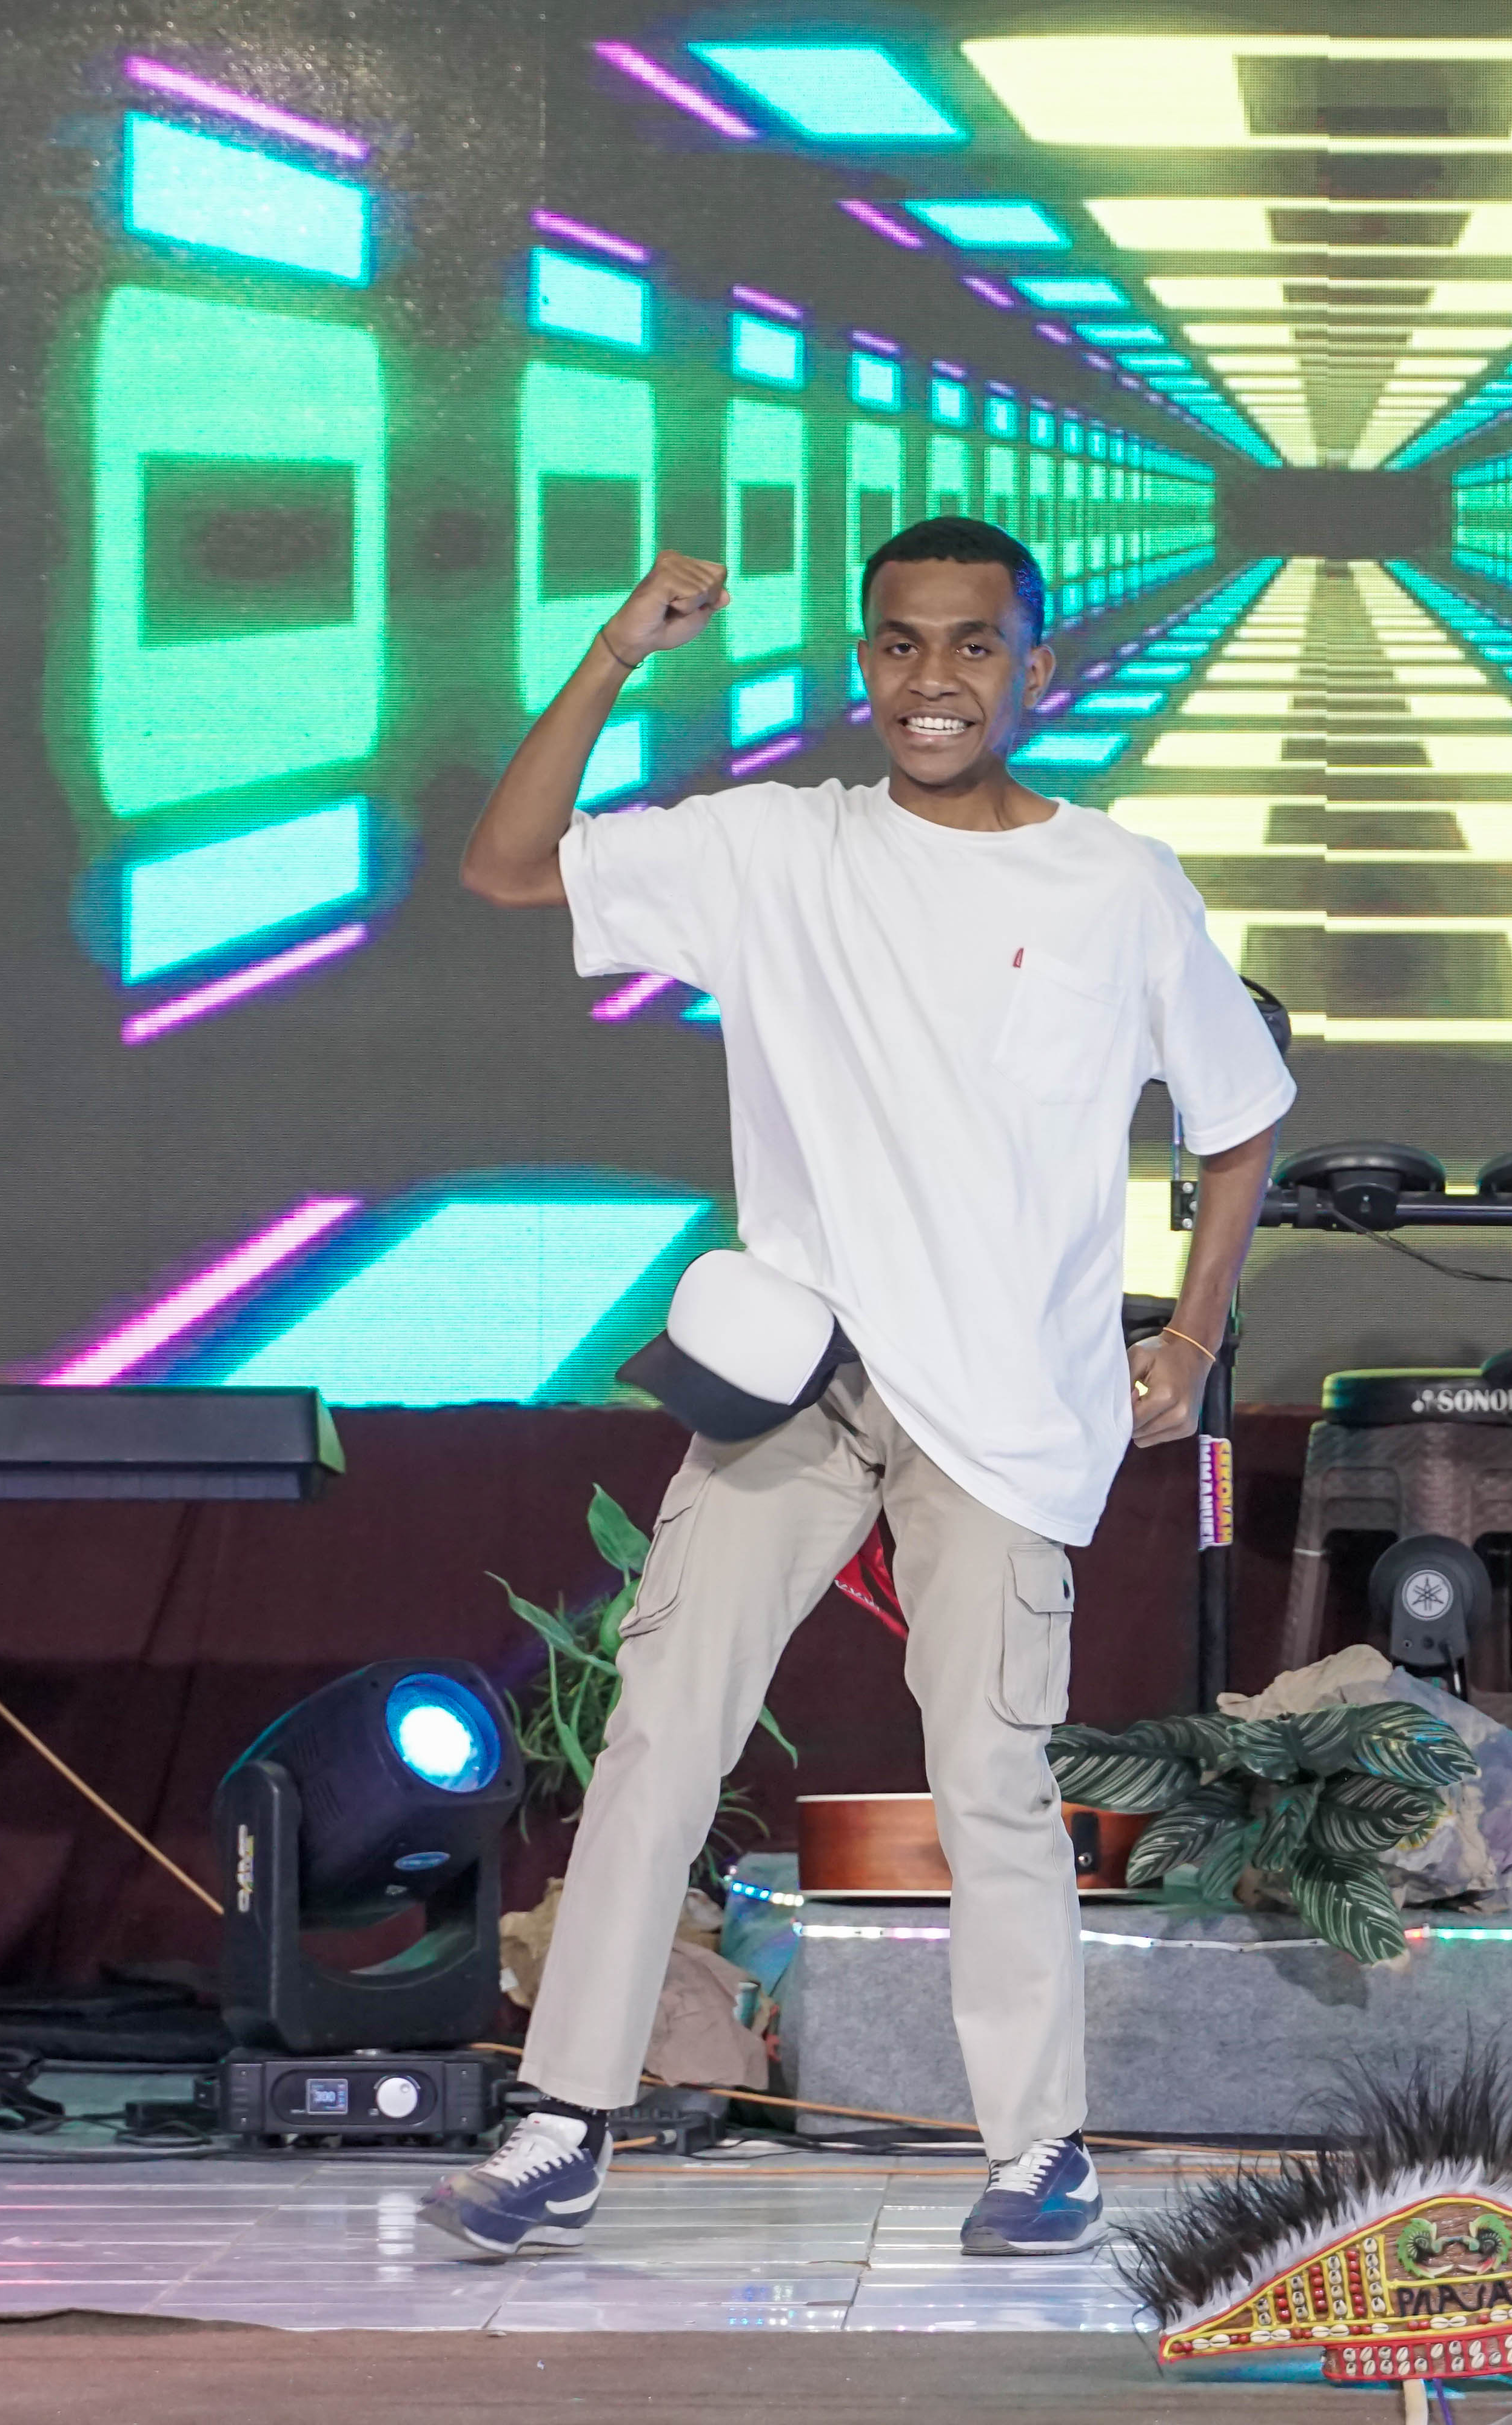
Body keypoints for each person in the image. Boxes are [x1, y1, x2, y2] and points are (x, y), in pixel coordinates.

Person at [424, 517, 1290, 2262]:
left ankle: (1038, 2152)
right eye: (901, 644)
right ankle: (563, 2121)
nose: (934, 680)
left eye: (973, 645)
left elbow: (1242, 1115)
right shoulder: (774, 849)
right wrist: (616, 654)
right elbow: (507, 868)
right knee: (660, 1740)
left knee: (993, 1779)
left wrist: (1193, 1336)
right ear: (864, 664)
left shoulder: (1117, 883)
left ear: (1035, 667)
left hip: (1010, 1410)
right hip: (802, 1382)